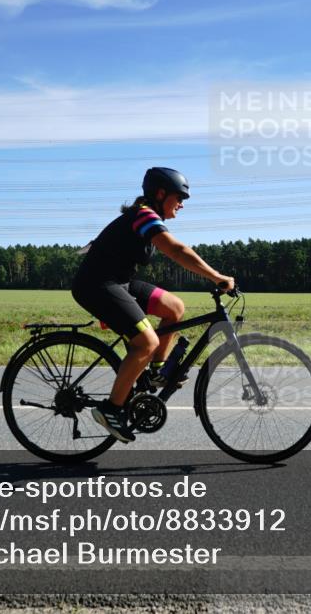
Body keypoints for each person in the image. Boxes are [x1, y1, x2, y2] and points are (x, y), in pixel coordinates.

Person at [72, 167, 235, 443]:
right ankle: (110, 409)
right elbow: (177, 250)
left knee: (174, 308)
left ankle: (156, 373)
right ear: (160, 194)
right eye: (178, 197)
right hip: (97, 285)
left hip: (118, 282)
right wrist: (217, 277)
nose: (182, 204)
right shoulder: (144, 215)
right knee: (145, 342)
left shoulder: (145, 217)